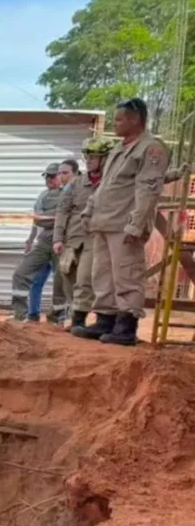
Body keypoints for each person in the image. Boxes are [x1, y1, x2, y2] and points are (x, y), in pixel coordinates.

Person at [74, 97, 170, 345]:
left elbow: (148, 190)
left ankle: (126, 326)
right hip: (104, 222)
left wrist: (136, 224)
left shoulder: (151, 149)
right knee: (102, 275)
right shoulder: (119, 149)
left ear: (135, 119)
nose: (115, 124)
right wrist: (89, 211)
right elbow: (104, 186)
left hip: (124, 225)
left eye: (119, 119)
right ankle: (105, 320)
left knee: (127, 275)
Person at [54, 137, 114, 332]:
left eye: (93, 157)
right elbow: (63, 211)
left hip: (95, 238)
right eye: (86, 156)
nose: (88, 160)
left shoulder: (112, 182)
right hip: (73, 239)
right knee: (68, 276)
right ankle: (76, 315)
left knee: (84, 278)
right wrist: (58, 238)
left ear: (104, 159)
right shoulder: (77, 184)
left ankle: (79, 320)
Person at [10, 163, 65, 322]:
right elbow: (37, 221)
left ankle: (58, 317)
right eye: (47, 176)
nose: (49, 179)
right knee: (27, 277)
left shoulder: (66, 194)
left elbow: (49, 220)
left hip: (60, 241)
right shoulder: (42, 196)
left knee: (60, 281)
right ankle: (25, 315)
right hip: (42, 242)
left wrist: (44, 218)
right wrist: (30, 240)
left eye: (52, 175)